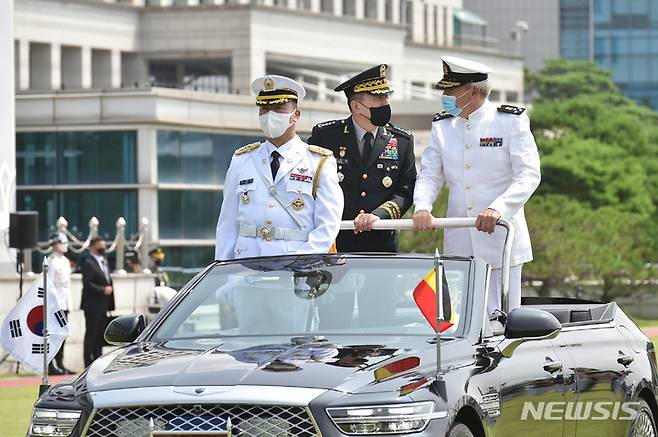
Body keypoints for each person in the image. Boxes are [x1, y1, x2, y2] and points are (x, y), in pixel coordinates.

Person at [412, 56, 541, 317]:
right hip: (459, 237)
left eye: (451, 91)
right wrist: (422, 207)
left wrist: (498, 208)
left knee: (502, 319)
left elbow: (528, 175)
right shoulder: (442, 126)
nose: (445, 97)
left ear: (472, 92)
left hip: (499, 237)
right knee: (460, 318)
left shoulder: (509, 121)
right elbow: (429, 175)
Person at [215, 75, 343, 260]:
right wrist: (223, 272)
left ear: (296, 115)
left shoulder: (318, 162)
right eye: (264, 109)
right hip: (245, 267)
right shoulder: (242, 160)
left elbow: (327, 226)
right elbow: (227, 225)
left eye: (278, 108)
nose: (269, 115)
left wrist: (300, 264)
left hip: (294, 269)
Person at [307, 64, 416, 253]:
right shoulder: (325, 136)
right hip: (333, 241)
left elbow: (405, 191)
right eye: (378, 97)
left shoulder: (402, 140)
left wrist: (379, 216)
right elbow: (310, 184)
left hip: (381, 242)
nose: (385, 103)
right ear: (356, 106)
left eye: (386, 96)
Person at [81, 237, 115, 367]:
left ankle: (97, 359)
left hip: (104, 304)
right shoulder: (88, 262)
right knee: (91, 333)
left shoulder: (104, 261)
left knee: (100, 334)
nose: (103, 247)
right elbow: (87, 283)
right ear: (93, 246)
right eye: (100, 245)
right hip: (92, 304)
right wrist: (103, 290)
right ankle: (87, 361)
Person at [47, 232, 74, 375]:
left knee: (62, 335)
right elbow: (49, 285)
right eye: (62, 243)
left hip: (65, 302)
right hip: (55, 304)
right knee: (53, 335)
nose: (65, 246)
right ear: (55, 244)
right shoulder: (51, 261)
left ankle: (61, 363)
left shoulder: (65, 260)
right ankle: (51, 365)